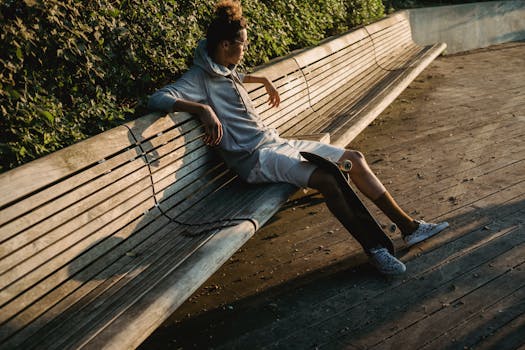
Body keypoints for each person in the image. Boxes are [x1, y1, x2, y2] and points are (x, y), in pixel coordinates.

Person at [147, 0, 449, 275]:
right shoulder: (198, 80)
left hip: (277, 143)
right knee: (329, 179)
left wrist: (261, 78)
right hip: (255, 158)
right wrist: (201, 109)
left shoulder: (225, 67)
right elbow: (157, 98)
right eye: (243, 45)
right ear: (225, 45)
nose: (246, 50)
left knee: (353, 159)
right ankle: (376, 249)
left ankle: (410, 227)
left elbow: (233, 78)